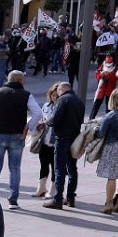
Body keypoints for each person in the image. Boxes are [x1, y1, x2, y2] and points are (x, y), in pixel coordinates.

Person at [0, 70, 41, 209]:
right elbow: (38, 113)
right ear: (19, 80)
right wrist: (28, 127)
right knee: (14, 168)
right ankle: (13, 200)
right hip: (17, 135)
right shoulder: (26, 95)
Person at [41, 81, 84, 210]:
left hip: (62, 138)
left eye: (58, 90)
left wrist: (45, 122)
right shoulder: (78, 101)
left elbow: (56, 118)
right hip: (75, 138)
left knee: (59, 169)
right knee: (72, 169)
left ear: (61, 89)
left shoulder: (63, 99)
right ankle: (71, 198)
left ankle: (57, 199)